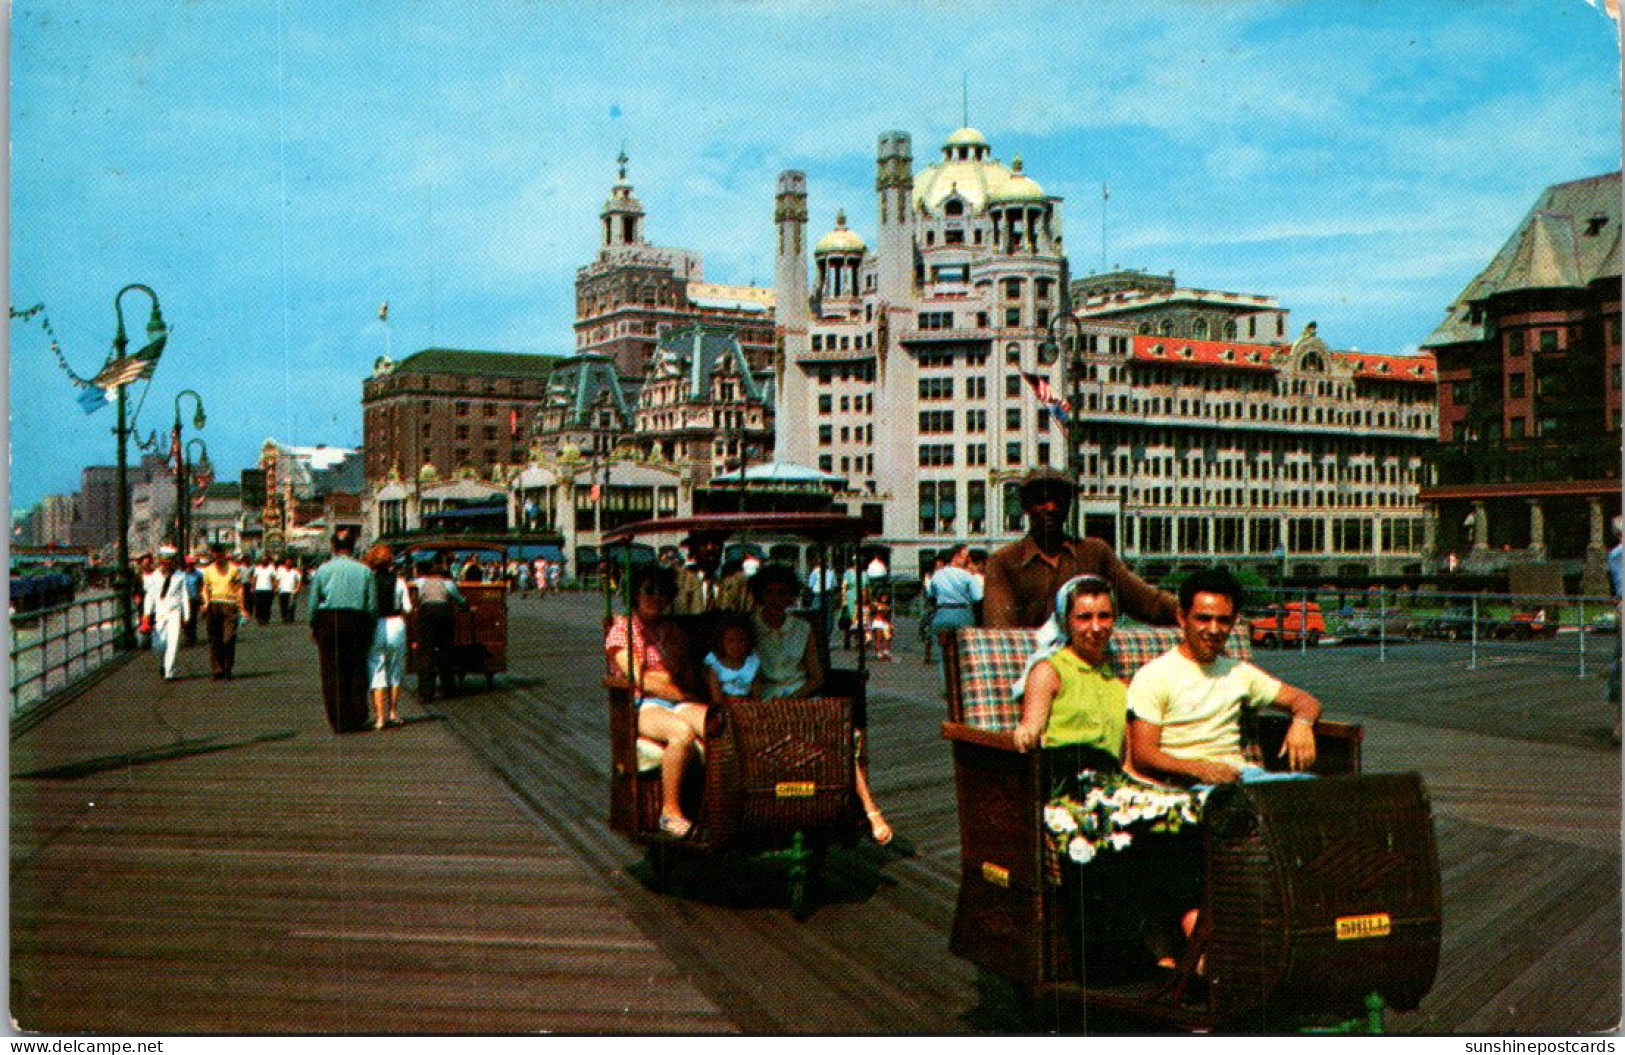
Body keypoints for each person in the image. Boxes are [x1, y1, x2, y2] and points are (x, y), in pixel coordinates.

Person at [1127, 567, 1321, 786]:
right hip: (1189, 782)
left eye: (1223, 621)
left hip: (1243, 776)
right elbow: (1143, 755)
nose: (1213, 629)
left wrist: (1302, 723)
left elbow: (1304, 700)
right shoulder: (1154, 676)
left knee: (1315, 790)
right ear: (1182, 617)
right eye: (1203, 619)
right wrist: (1200, 769)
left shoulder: (1239, 672)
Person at [749, 564, 893, 846]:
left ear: (791, 597)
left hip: (801, 694)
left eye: (783, 593)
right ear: (760, 596)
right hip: (763, 697)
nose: (776, 600)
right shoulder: (750, 625)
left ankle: (869, 808)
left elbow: (816, 677)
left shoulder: (801, 628)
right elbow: (746, 672)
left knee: (836, 742)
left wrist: (794, 699)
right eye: (770, 593)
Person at [983, 468, 1178, 630]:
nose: (1050, 507)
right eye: (1040, 500)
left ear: (1068, 507)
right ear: (1026, 506)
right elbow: (1000, 632)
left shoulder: (1095, 553)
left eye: (1058, 500)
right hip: (1034, 665)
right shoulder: (1004, 562)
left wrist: (1193, 610)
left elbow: (1147, 602)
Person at [605, 563, 706, 838]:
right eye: (649, 590)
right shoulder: (622, 630)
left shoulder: (673, 631)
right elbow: (640, 679)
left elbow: (687, 675)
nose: (656, 597)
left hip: (678, 700)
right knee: (681, 733)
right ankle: (669, 811)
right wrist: (665, 682)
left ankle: (720, 806)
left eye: (663, 592)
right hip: (642, 705)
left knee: (719, 724)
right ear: (635, 594)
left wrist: (663, 681)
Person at [1012, 575, 1125, 763]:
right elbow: (1030, 726)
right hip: (1066, 781)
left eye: (1104, 616)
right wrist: (1026, 733)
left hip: (1111, 783)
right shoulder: (1049, 671)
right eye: (1084, 617)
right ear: (1065, 621)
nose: (1096, 627)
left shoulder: (1117, 682)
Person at [308, 528, 379, 734]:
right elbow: (372, 605)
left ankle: (338, 720)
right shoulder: (365, 571)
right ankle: (357, 715)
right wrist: (370, 626)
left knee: (332, 672)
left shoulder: (323, 570)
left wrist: (314, 625)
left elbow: (314, 602)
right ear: (352, 547)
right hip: (357, 620)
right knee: (357, 669)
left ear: (333, 546)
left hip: (330, 620)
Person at [365, 544, 413, 730]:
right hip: (396, 624)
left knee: (376, 669)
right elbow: (407, 608)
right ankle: (393, 712)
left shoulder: (369, 581)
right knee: (395, 669)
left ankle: (379, 717)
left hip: (376, 624)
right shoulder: (399, 581)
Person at [413, 558, 470, 701]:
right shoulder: (448, 583)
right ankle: (448, 688)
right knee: (446, 650)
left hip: (426, 613)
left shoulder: (421, 582)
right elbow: (459, 600)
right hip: (444, 613)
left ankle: (425, 692)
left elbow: (415, 597)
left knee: (426, 652)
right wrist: (466, 606)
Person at [926, 545, 982, 663]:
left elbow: (931, 594)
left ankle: (946, 675)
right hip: (963, 614)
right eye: (966, 557)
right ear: (956, 557)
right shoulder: (967, 576)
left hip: (942, 614)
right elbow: (977, 597)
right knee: (964, 654)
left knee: (943, 652)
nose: (968, 560)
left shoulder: (938, 575)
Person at [142, 546, 190, 681]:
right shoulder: (153, 577)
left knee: (173, 642)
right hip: (159, 613)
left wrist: (186, 615)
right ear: (160, 561)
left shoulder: (180, 576)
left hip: (175, 612)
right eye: (164, 561)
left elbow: (184, 596)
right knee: (158, 645)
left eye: (169, 562)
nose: (166, 564)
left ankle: (170, 671)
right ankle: (162, 664)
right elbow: (149, 597)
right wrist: (146, 615)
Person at [672, 531, 749, 614]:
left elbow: (751, 619)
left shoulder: (738, 581)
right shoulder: (679, 582)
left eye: (715, 542)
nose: (710, 548)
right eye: (703, 543)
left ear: (722, 545)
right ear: (693, 548)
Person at [199, 543, 246, 679]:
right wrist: (206, 603)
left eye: (220, 554)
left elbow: (239, 589)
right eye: (215, 554)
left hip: (230, 605)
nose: (218, 557)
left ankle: (227, 667)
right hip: (214, 605)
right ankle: (217, 669)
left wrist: (242, 607)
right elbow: (205, 589)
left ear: (224, 554)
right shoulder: (207, 570)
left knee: (228, 638)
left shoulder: (233, 569)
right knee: (214, 639)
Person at [702, 612, 764, 705]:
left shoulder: (753, 662)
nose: (736, 646)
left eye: (741, 640)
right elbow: (717, 697)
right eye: (731, 641)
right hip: (723, 706)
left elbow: (757, 694)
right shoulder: (716, 664)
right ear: (721, 641)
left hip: (746, 705)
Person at [807, 556, 838, 640]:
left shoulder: (826, 572)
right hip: (822, 595)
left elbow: (810, 585)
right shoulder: (828, 572)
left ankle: (823, 635)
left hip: (823, 595)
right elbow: (834, 585)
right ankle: (822, 635)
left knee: (823, 616)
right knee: (824, 616)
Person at [181, 556, 203, 646]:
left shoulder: (198, 574)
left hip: (194, 599)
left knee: (193, 619)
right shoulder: (182, 574)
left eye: (192, 564)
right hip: (184, 600)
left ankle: (192, 637)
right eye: (189, 564)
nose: (190, 566)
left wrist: (201, 599)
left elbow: (201, 586)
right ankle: (187, 635)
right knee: (185, 619)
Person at [251, 555, 277, 625]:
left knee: (267, 605)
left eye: (266, 560)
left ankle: (266, 619)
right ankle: (259, 619)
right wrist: (252, 587)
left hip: (268, 590)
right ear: (261, 561)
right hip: (259, 589)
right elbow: (254, 578)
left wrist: (275, 588)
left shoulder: (271, 568)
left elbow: (274, 579)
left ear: (268, 561)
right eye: (263, 560)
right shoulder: (257, 568)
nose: (264, 561)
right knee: (259, 605)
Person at [276, 557, 303, 623]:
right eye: (287, 561)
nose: (289, 563)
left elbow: (299, 581)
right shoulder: (280, 570)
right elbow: (277, 580)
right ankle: (284, 618)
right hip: (282, 591)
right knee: (283, 605)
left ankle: (291, 617)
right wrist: (276, 587)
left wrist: (298, 588)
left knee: (291, 605)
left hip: (292, 591)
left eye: (290, 561)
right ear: (285, 562)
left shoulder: (296, 571)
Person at [866, 597, 894, 661]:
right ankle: (879, 653)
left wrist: (890, 624)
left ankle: (886, 652)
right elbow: (871, 610)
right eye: (883, 596)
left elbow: (888, 616)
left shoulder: (888, 607)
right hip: (878, 622)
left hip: (885, 623)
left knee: (888, 637)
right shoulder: (876, 604)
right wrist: (875, 606)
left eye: (886, 597)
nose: (884, 598)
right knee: (879, 638)